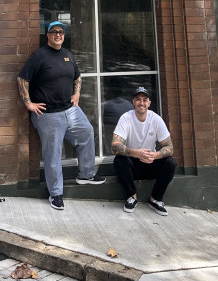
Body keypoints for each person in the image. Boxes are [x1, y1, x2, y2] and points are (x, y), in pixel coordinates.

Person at [18, 20, 105, 211]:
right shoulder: (39, 56)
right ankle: (56, 193)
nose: (58, 35)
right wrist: (28, 103)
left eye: (61, 32)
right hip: (48, 115)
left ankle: (86, 175)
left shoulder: (67, 55)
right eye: (54, 32)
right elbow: (23, 78)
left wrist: (77, 93)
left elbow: (77, 77)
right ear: (48, 35)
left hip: (70, 110)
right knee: (53, 154)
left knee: (87, 133)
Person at [111, 85, 176, 216]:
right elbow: (115, 146)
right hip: (132, 165)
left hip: (150, 162)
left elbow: (170, 148)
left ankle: (155, 199)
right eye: (138, 99)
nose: (141, 103)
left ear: (149, 103)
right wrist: (136, 153)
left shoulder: (156, 119)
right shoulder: (126, 118)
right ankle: (131, 197)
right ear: (133, 102)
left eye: (145, 99)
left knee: (170, 163)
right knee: (119, 160)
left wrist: (155, 155)